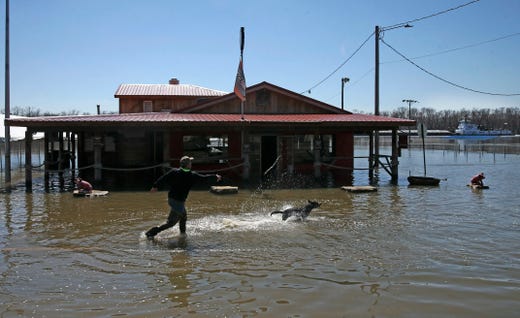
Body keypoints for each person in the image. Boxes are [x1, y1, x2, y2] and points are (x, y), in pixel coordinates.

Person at [145, 156, 222, 239]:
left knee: (183, 217)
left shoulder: (174, 172)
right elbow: (204, 178)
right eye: (190, 163)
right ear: (188, 165)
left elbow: (163, 178)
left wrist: (155, 186)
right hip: (178, 202)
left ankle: (183, 234)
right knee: (171, 223)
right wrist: (215, 176)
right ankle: (151, 232)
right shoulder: (192, 175)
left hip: (172, 199)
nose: (191, 164)